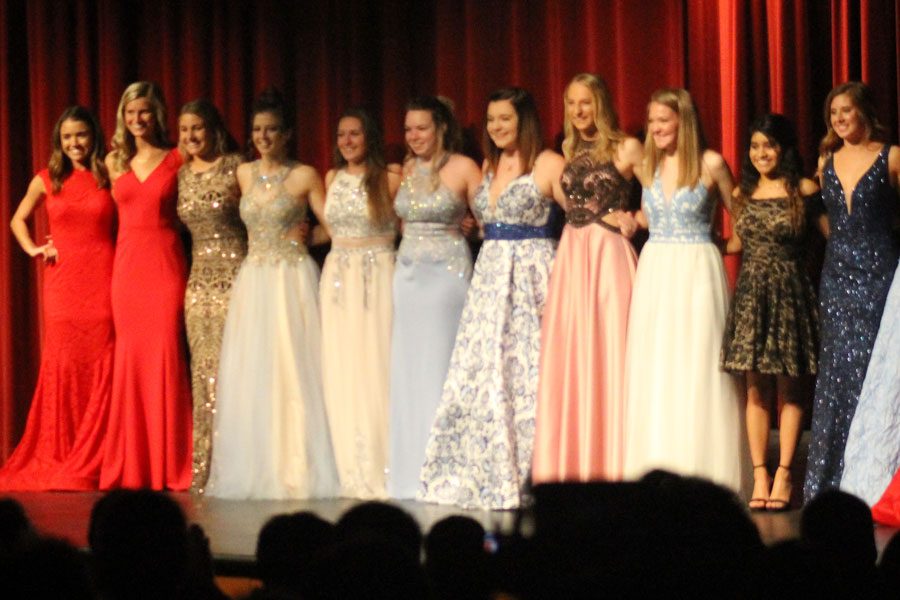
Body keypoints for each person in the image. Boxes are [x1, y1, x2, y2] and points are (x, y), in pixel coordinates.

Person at [419, 87, 564, 509]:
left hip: (532, 277)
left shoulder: (547, 163)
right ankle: (487, 468)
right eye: (491, 119)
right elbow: (486, 220)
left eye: (505, 119)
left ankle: (537, 473)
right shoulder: (489, 163)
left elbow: (579, 218)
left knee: (527, 372)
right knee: (486, 373)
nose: (497, 127)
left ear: (524, 121)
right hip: (489, 279)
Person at [205, 88, 338, 499]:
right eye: (258, 130)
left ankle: (295, 463)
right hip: (254, 279)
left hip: (290, 277)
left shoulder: (304, 175)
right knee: (255, 370)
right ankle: (257, 460)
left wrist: (308, 236)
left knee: (292, 368)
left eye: (272, 130)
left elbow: (333, 225)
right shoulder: (243, 174)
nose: (263, 137)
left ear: (287, 134)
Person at [622, 88, 747, 494]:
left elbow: (745, 221)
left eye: (663, 120)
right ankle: (658, 466)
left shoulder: (711, 164)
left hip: (698, 271)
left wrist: (718, 245)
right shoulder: (647, 165)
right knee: (658, 368)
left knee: (699, 368)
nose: (655, 128)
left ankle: (705, 472)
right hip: (656, 270)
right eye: (652, 121)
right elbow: (652, 212)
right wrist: (630, 219)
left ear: (683, 121)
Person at [531, 74, 644, 484]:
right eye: (572, 103)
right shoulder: (567, 148)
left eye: (587, 103)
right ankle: (579, 456)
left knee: (610, 350)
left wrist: (633, 218)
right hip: (573, 255)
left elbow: (662, 193)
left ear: (602, 104)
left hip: (608, 255)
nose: (579, 112)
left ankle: (614, 457)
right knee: (575, 354)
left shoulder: (626, 147)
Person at [0, 106, 115, 491]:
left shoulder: (109, 174)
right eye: (67, 137)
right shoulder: (47, 179)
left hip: (105, 281)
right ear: (58, 141)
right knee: (65, 363)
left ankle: (101, 453)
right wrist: (34, 248)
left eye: (81, 135)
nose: (74, 143)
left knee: (104, 362)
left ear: (93, 136)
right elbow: (17, 219)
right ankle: (66, 452)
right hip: (63, 287)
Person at [803, 81, 899, 503]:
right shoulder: (826, 160)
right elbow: (822, 216)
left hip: (879, 270)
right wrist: (838, 240)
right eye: (834, 114)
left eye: (847, 111)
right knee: (837, 374)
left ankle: (873, 475)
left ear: (864, 112)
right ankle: (830, 480)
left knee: (875, 367)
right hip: (838, 275)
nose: (840, 120)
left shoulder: (890, 156)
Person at [720, 114, 820, 511]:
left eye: (769, 145)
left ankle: (785, 474)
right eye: (755, 146)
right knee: (756, 389)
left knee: (790, 390)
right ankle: (760, 474)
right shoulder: (743, 193)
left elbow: (832, 232)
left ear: (784, 149)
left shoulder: (805, 189)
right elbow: (736, 243)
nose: (761, 153)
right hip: (751, 296)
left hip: (791, 293)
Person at [386, 96, 480, 499]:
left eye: (421, 128)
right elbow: (398, 221)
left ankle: (451, 466)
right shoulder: (402, 170)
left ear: (441, 127)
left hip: (447, 277)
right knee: (410, 370)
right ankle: (411, 469)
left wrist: (472, 225)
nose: (414, 136)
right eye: (408, 129)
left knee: (442, 367)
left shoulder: (463, 167)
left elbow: (488, 219)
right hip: (408, 276)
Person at [101, 81, 193, 490]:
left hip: (164, 265)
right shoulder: (113, 162)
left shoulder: (178, 158)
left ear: (158, 115)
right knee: (131, 361)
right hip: (126, 271)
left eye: (144, 111)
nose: (137, 119)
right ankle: (134, 464)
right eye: (129, 112)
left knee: (165, 357)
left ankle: (169, 463)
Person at [321, 108, 400, 499]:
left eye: (355, 134)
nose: (347, 141)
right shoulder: (331, 178)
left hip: (377, 275)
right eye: (341, 135)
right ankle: (347, 463)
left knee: (376, 364)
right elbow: (329, 228)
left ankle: (384, 461)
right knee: (343, 367)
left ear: (370, 137)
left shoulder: (390, 178)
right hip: (338, 277)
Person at [175, 99, 246, 494]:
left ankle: (240, 462)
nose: (191, 136)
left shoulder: (237, 167)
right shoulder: (181, 174)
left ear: (213, 128)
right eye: (184, 130)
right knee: (203, 373)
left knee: (237, 371)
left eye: (197, 128)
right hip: (197, 283)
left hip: (237, 277)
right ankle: (207, 466)